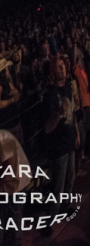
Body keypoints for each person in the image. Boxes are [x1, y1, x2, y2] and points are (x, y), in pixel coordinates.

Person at [41, 55, 80, 237]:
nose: (62, 69)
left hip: (70, 142)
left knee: (70, 180)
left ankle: (65, 208)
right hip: (58, 148)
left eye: (63, 66)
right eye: (58, 67)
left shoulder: (67, 88)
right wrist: (59, 113)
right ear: (52, 72)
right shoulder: (50, 95)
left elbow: (72, 113)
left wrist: (77, 133)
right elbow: (47, 128)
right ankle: (49, 221)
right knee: (57, 187)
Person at [0, 59, 22, 144]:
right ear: (2, 72)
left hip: (13, 121)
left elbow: (12, 91)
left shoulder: (5, 82)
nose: (8, 71)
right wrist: (12, 100)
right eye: (7, 69)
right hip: (4, 124)